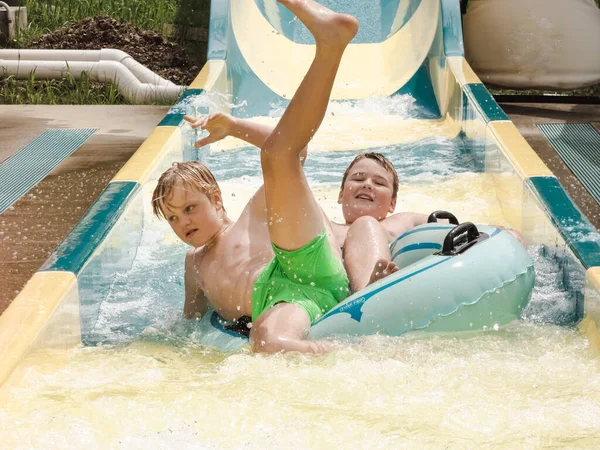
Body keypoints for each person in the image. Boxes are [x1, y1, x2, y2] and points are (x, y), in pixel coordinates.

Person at [152, 0, 359, 354]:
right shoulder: (195, 264)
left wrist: (234, 128)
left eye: (189, 207)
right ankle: (354, 352)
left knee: (278, 155)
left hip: (304, 271)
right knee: (267, 343)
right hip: (280, 304)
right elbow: (190, 323)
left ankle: (330, 43)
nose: (182, 221)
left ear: (216, 199)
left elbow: (297, 153)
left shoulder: (251, 217)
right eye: (172, 217)